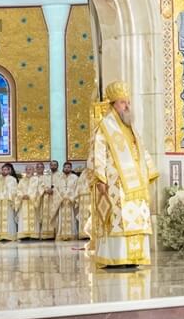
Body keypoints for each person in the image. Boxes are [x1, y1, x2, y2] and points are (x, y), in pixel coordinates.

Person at [90, 81, 157, 267]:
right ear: (112, 104)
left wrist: (149, 171)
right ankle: (118, 257)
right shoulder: (105, 126)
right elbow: (98, 153)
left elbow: (141, 150)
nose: (127, 106)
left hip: (136, 184)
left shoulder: (131, 127)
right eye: (122, 102)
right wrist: (100, 177)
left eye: (128, 102)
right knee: (120, 218)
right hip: (115, 183)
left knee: (136, 217)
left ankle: (135, 257)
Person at [0, 162, 20, 241]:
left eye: (5, 170)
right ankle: (0, 236)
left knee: (9, 219)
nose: (4, 171)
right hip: (0, 202)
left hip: (8, 202)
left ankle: (10, 235)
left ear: (9, 171)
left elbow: (14, 190)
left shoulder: (13, 179)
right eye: (3, 169)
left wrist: (12, 200)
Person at [55, 160, 81, 240]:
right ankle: (61, 235)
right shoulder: (59, 177)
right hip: (61, 201)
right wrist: (60, 198)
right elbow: (56, 189)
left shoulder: (75, 178)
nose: (67, 169)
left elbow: (77, 189)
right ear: (63, 168)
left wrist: (72, 198)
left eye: (68, 167)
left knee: (72, 218)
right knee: (61, 219)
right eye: (65, 167)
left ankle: (72, 235)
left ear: (71, 168)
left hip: (71, 201)